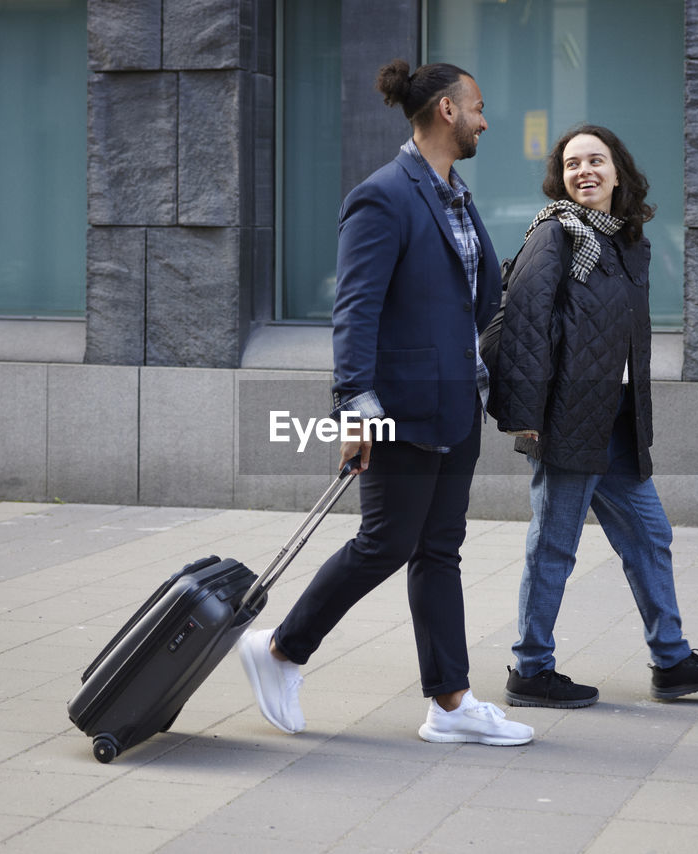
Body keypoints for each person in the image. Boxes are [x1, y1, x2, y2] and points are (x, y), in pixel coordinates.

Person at [238, 60, 533, 746]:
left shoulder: (455, 197)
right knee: (385, 543)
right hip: (399, 407)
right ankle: (280, 649)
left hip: (454, 406)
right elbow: (356, 311)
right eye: (479, 107)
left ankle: (451, 703)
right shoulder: (383, 197)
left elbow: (474, 309)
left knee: (438, 550)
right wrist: (356, 409)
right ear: (447, 112)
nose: (487, 120)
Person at [489, 124, 698, 708]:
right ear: (561, 176)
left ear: (618, 171)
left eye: (596, 160)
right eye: (573, 163)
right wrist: (525, 414)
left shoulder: (628, 241)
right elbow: (525, 320)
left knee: (651, 535)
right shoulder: (556, 234)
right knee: (554, 545)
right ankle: (530, 668)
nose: (585, 171)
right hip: (567, 419)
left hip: (618, 418)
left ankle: (672, 661)